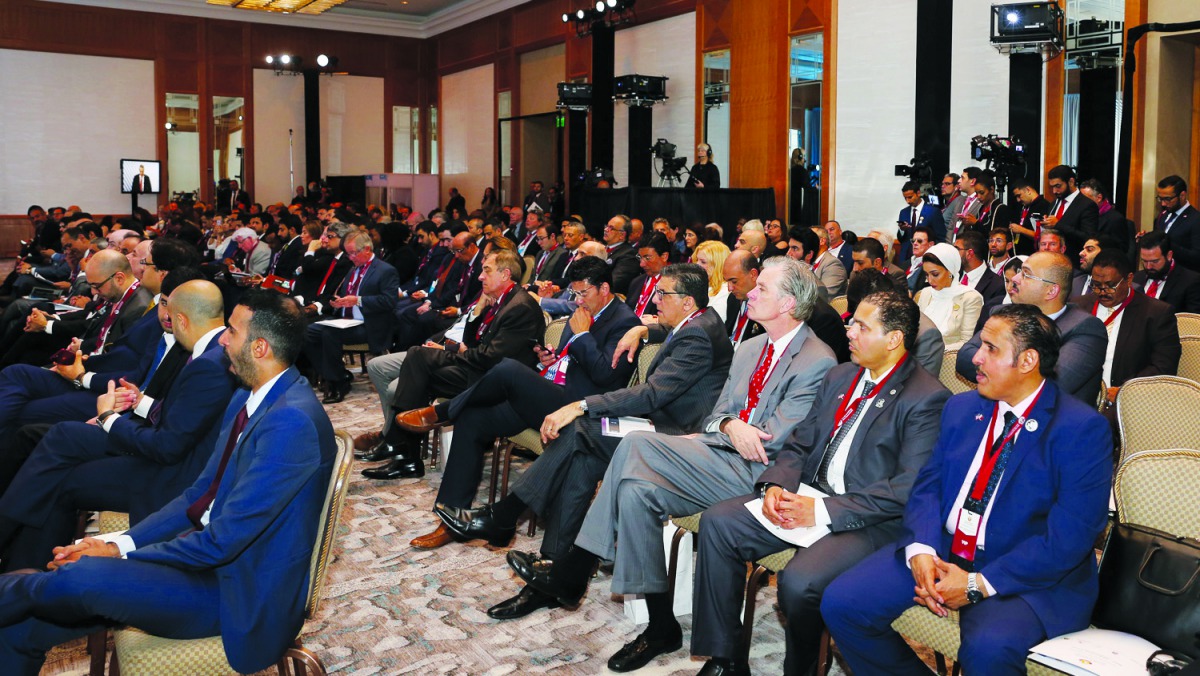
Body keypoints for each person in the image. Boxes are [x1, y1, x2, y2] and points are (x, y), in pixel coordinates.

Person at [510, 257, 837, 672]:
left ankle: (571, 569)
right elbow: (718, 415)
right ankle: (661, 626)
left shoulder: (817, 359)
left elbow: (771, 444)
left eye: (761, 290)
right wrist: (731, 425)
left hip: (760, 478)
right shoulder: (752, 346)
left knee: (635, 445)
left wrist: (727, 428)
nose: (749, 293)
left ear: (788, 302)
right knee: (635, 491)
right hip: (718, 455)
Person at [0, 290, 336, 675]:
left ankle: (19, 584)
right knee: (19, 628)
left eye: (231, 331)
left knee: (76, 577)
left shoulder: (290, 421)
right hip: (206, 566)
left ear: (259, 347)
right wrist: (116, 542)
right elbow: (199, 495)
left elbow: (223, 541)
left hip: (236, 592)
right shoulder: (252, 396)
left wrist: (117, 555)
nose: (223, 339)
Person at [822, 304, 1113, 676]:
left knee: (988, 648)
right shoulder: (962, 407)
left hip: (1023, 569)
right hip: (946, 546)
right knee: (843, 603)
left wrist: (978, 584)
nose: (975, 357)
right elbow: (928, 486)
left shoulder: (1079, 428)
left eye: (991, 349)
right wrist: (921, 549)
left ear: (1027, 360)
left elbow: (1070, 537)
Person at [437, 265, 736, 622]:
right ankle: (551, 575)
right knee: (581, 456)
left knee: (580, 429)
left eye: (663, 295)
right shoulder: (696, 322)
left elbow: (653, 394)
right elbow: (671, 331)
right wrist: (645, 327)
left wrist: (580, 405)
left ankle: (505, 517)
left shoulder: (698, 335)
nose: (654, 300)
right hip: (657, 423)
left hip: (676, 437)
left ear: (687, 302)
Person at [692, 291, 950, 675]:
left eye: (862, 326)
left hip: (868, 519)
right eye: (852, 322)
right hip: (809, 495)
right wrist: (776, 485)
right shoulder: (842, 374)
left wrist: (822, 511)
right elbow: (800, 441)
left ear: (894, 338)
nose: (849, 331)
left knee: (799, 582)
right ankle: (725, 658)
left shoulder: (926, 397)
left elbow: (906, 488)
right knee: (719, 522)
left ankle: (803, 669)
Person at [394, 256, 640, 547]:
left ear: (605, 289)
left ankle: (441, 411)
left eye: (583, 293)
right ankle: (450, 518)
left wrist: (583, 334)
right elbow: (567, 361)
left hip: (577, 410)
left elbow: (606, 376)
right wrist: (546, 361)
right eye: (573, 293)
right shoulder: (583, 313)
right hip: (550, 395)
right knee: (473, 418)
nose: (578, 301)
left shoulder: (625, 322)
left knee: (508, 369)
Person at [0, 280, 238, 571]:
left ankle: (18, 560)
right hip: (165, 449)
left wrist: (107, 419)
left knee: (62, 477)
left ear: (180, 320)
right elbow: (184, 418)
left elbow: (168, 446)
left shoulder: (207, 364)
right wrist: (135, 404)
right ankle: (19, 564)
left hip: (172, 475)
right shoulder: (209, 351)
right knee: (64, 437)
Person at [358, 250, 545, 479]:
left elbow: (490, 358)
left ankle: (399, 448)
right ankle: (403, 454)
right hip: (479, 369)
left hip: (494, 382)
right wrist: (477, 313)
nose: (480, 277)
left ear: (505, 274)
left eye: (486, 271)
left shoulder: (519, 307)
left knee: (417, 359)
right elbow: (472, 342)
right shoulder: (500, 301)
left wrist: (455, 351)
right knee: (418, 365)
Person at [957, 252, 1108, 404]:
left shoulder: (1085, 328)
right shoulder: (1002, 313)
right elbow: (965, 358)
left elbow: (1051, 383)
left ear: (1051, 291)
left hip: (1053, 421)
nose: (1015, 279)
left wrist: (996, 366)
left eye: (1025, 275)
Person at [302, 232, 400, 403]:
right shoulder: (353, 269)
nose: (350, 257)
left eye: (353, 253)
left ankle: (337, 383)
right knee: (306, 332)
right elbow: (346, 295)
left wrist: (358, 301)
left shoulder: (385, 270)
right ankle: (335, 373)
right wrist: (338, 303)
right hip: (346, 321)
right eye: (348, 253)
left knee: (329, 334)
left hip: (369, 324)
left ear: (367, 249)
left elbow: (389, 301)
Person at [1079, 249, 1179, 406]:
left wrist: (1126, 389)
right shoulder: (1079, 306)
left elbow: (1163, 367)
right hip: (1078, 398)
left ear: (1129, 279)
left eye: (1111, 285)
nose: (1102, 292)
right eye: (1097, 285)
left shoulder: (1156, 314)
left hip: (1125, 402)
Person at [915, 243, 983, 347]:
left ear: (950, 271)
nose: (929, 280)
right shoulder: (924, 293)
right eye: (926, 274)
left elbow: (966, 341)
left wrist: (933, 352)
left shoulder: (970, 298)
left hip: (946, 358)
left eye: (935, 274)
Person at [1042, 165, 1098, 265]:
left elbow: (1088, 237)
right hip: (1050, 261)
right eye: (1052, 187)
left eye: (1058, 186)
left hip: (1072, 262)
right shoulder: (1054, 203)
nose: (1054, 191)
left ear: (1071, 182)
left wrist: (1058, 224)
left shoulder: (1087, 205)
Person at [1133, 231, 1200, 313]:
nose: (1148, 267)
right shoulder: (1136, 278)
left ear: (1169, 256)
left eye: (1154, 261)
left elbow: (1192, 322)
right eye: (1144, 261)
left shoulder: (1190, 281)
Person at [1153, 174, 1200, 271]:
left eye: (1167, 199)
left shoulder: (1196, 219)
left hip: (1185, 276)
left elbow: (1197, 256)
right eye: (1160, 199)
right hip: (1163, 273)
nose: (1163, 204)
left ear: (1182, 195)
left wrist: (1168, 245)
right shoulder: (1163, 215)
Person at [898, 181, 946, 259]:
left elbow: (941, 237)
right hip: (906, 257)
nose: (907, 201)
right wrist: (902, 230)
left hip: (926, 256)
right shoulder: (903, 212)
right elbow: (901, 239)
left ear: (918, 193)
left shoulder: (933, 212)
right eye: (905, 198)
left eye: (910, 197)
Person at [1009, 179, 1052, 256]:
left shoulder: (1044, 206)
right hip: (1021, 253)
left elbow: (1043, 235)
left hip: (1035, 255)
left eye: (1019, 195)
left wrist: (1021, 230)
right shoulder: (1024, 207)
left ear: (1028, 190)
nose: (1018, 200)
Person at [692, 240, 731, 321]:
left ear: (718, 264)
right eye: (697, 260)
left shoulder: (725, 291)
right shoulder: (700, 285)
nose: (697, 265)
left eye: (703, 262)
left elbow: (712, 324)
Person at [810, 226, 848, 300]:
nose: (805, 243)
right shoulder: (809, 261)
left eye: (809, 239)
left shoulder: (833, 264)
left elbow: (824, 297)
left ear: (822, 241)